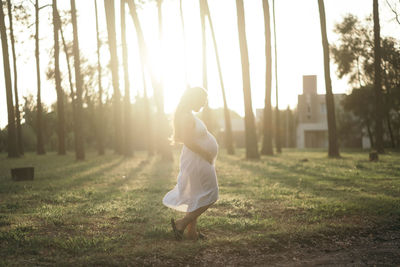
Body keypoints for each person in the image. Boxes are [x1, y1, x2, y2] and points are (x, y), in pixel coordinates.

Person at [163, 86, 219, 241]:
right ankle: (182, 223)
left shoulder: (187, 114)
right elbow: (187, 141)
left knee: (196, 196)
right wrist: (206, 153)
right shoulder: (186, 117)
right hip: (197, 160)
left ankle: (191, 233)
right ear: (193, 98)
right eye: (202, 101)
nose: (203, 104)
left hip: (196, 159)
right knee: (212, 194)